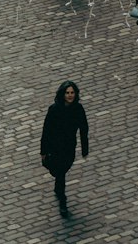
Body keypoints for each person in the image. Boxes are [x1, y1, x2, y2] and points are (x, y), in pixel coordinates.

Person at [40, 80, 89, 219]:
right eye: (67, 93)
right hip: (54, 147)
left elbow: (84, 129)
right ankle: (62, 199)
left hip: (69, 147)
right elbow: (46, 131)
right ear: (62, 94)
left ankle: (59, 190)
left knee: (62, 170)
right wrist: (43, 151)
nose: (70, 95)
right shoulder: (54, 109)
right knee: (59, 172)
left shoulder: (78, 109)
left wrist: (85, 148)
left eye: (72, 93)